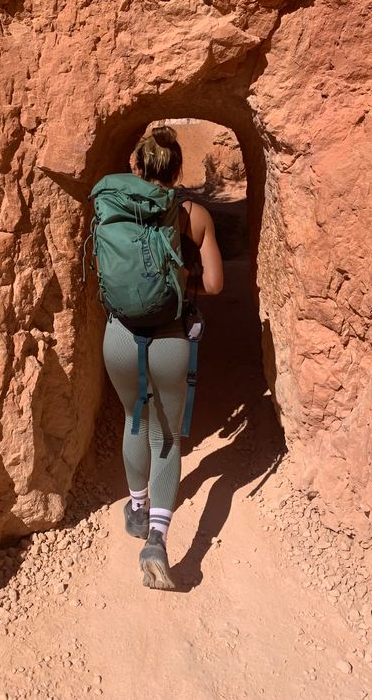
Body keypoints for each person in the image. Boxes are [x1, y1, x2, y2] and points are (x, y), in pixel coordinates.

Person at [102, 125, 224, 589]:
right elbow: (214, 285)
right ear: (177, 171)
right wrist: (180, 281)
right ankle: (157, 538)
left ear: (135, 166)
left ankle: (136, 506)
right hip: (170, 338)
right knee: (167, 437)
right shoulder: (191, 213)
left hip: (118, 335)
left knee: (136, 418)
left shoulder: (114, 205)